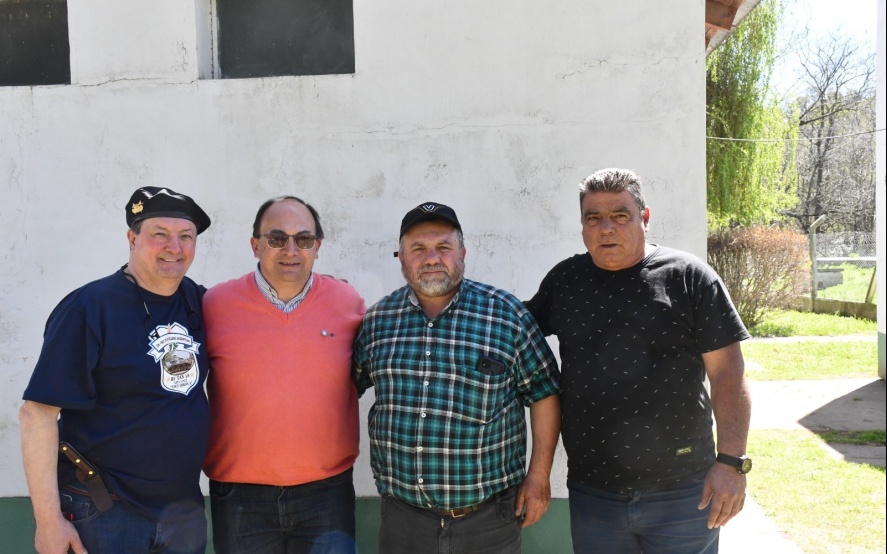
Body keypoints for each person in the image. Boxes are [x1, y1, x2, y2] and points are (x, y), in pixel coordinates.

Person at [525, 168, 752, 554]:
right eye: (593, 218)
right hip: (594, 494)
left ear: (644, 217)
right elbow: (514, 331)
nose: (606, 228)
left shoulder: (688, 278)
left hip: (684, 493)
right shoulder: (565, 282)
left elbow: (728, 373)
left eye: (620, 215)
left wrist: (731, 463)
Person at [352, 201, 562, 554]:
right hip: (403, 520)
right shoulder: (378, 323)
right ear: (401, 259)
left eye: (443, 247)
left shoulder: (505, 315)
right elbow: (343, 390)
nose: (432, 258)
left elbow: (544, 392)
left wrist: (539, 477)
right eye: (418, 249)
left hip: (488, 519)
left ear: (462, 253)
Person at [19, 187, 213, 554]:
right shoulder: (90, 308)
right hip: (104, 510)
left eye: (186, 236)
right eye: (159, 234)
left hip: (182, 512)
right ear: (132, 238)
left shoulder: (199, 301)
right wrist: (48, 522)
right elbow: (36, 415)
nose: (174, 246)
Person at [202, 196, 366, 554]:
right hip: (239, 495)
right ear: (255, 245)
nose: (291, 250)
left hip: (327, 492)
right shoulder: (214, 304)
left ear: (317, 247)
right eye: (277, 238)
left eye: (303, 239)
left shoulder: (347, 301)